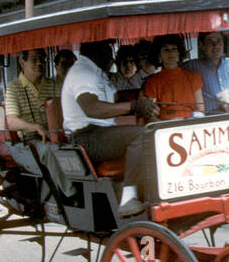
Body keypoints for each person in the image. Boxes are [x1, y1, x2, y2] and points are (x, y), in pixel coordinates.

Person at [61, 41, 159, 218]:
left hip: (101, 133)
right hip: (86, 138)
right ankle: (127, 198)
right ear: (96, 46)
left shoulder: (96, 72)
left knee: (151, 133)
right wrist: (133, 106)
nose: (111, 51)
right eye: (107, 45)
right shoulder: (82, 72)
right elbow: (92, 108)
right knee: (143, 135)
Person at [185, 31, 229, 114]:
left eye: (219, 41)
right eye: (210, 42)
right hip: (211, 118)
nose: (216, 46)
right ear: (201, 45)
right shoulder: (192, 66)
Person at [140, 34, 204, 120]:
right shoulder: (152, 81)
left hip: (190, 125)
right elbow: (151, 115)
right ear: (159, 55)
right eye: (166, 50)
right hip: (164, 127)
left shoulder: (193, 77)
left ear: (179, 53)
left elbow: (200, 110)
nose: (170, 53)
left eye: (174, 49)